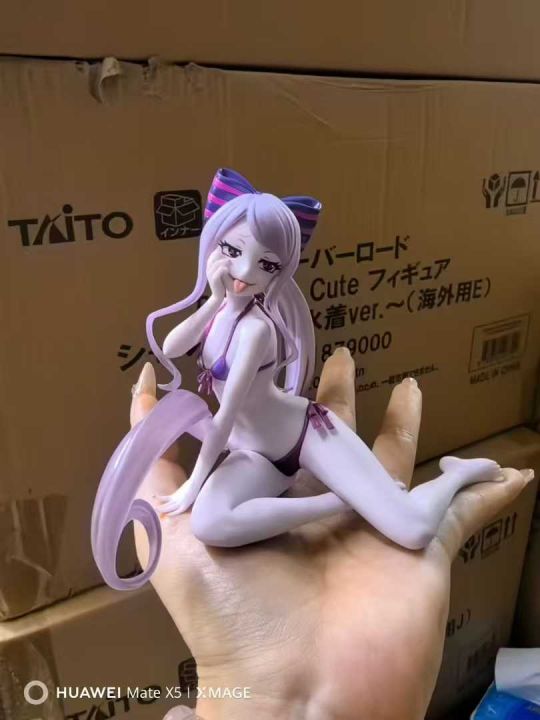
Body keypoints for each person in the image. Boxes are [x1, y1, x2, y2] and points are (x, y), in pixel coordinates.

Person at [129, 353, 533, 720]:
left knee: (415, 530)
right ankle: (447, 477)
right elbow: (184, 354)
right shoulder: (232, 405)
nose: (223, 381)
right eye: (215, 371)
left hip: (302, 440)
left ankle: (453, 476)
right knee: (213, 523)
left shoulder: (265, 370)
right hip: (272, 461)